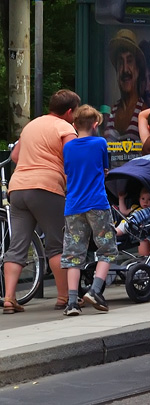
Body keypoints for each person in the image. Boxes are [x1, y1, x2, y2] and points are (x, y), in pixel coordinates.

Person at [1, 89, 78, 314]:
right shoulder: (65, 127)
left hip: (18, 188)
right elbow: (72, 157)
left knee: (17, 246)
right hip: (47, 187)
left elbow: (15, 157)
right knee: (56, 244)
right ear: (70, 111)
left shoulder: (31, 126)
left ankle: (8, 298)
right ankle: (64, 297)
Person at [61, 104, 117, 315]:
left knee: (74, 254)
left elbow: (69, 171)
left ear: (74, 125)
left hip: (73, 205)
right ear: (95, 124)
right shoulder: (100, 143)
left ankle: (72, 303)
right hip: (97, 203)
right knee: (107, 249)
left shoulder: (68, 147)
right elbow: (104, 169)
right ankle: (95, 290)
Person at [104, 28, 145, 140]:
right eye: (121, 62)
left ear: (137, 68)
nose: (125, 69)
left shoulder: (144, 111)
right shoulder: (112, 111)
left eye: (130, 61)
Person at [115, 187, 150, 257]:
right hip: (138, 232)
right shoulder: (135, 207)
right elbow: (124, 212)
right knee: (143, 253)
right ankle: (113, 232)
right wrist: (121, 199)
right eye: (143, 199)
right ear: (139, 199)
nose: (145, 202)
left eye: (149, 199)